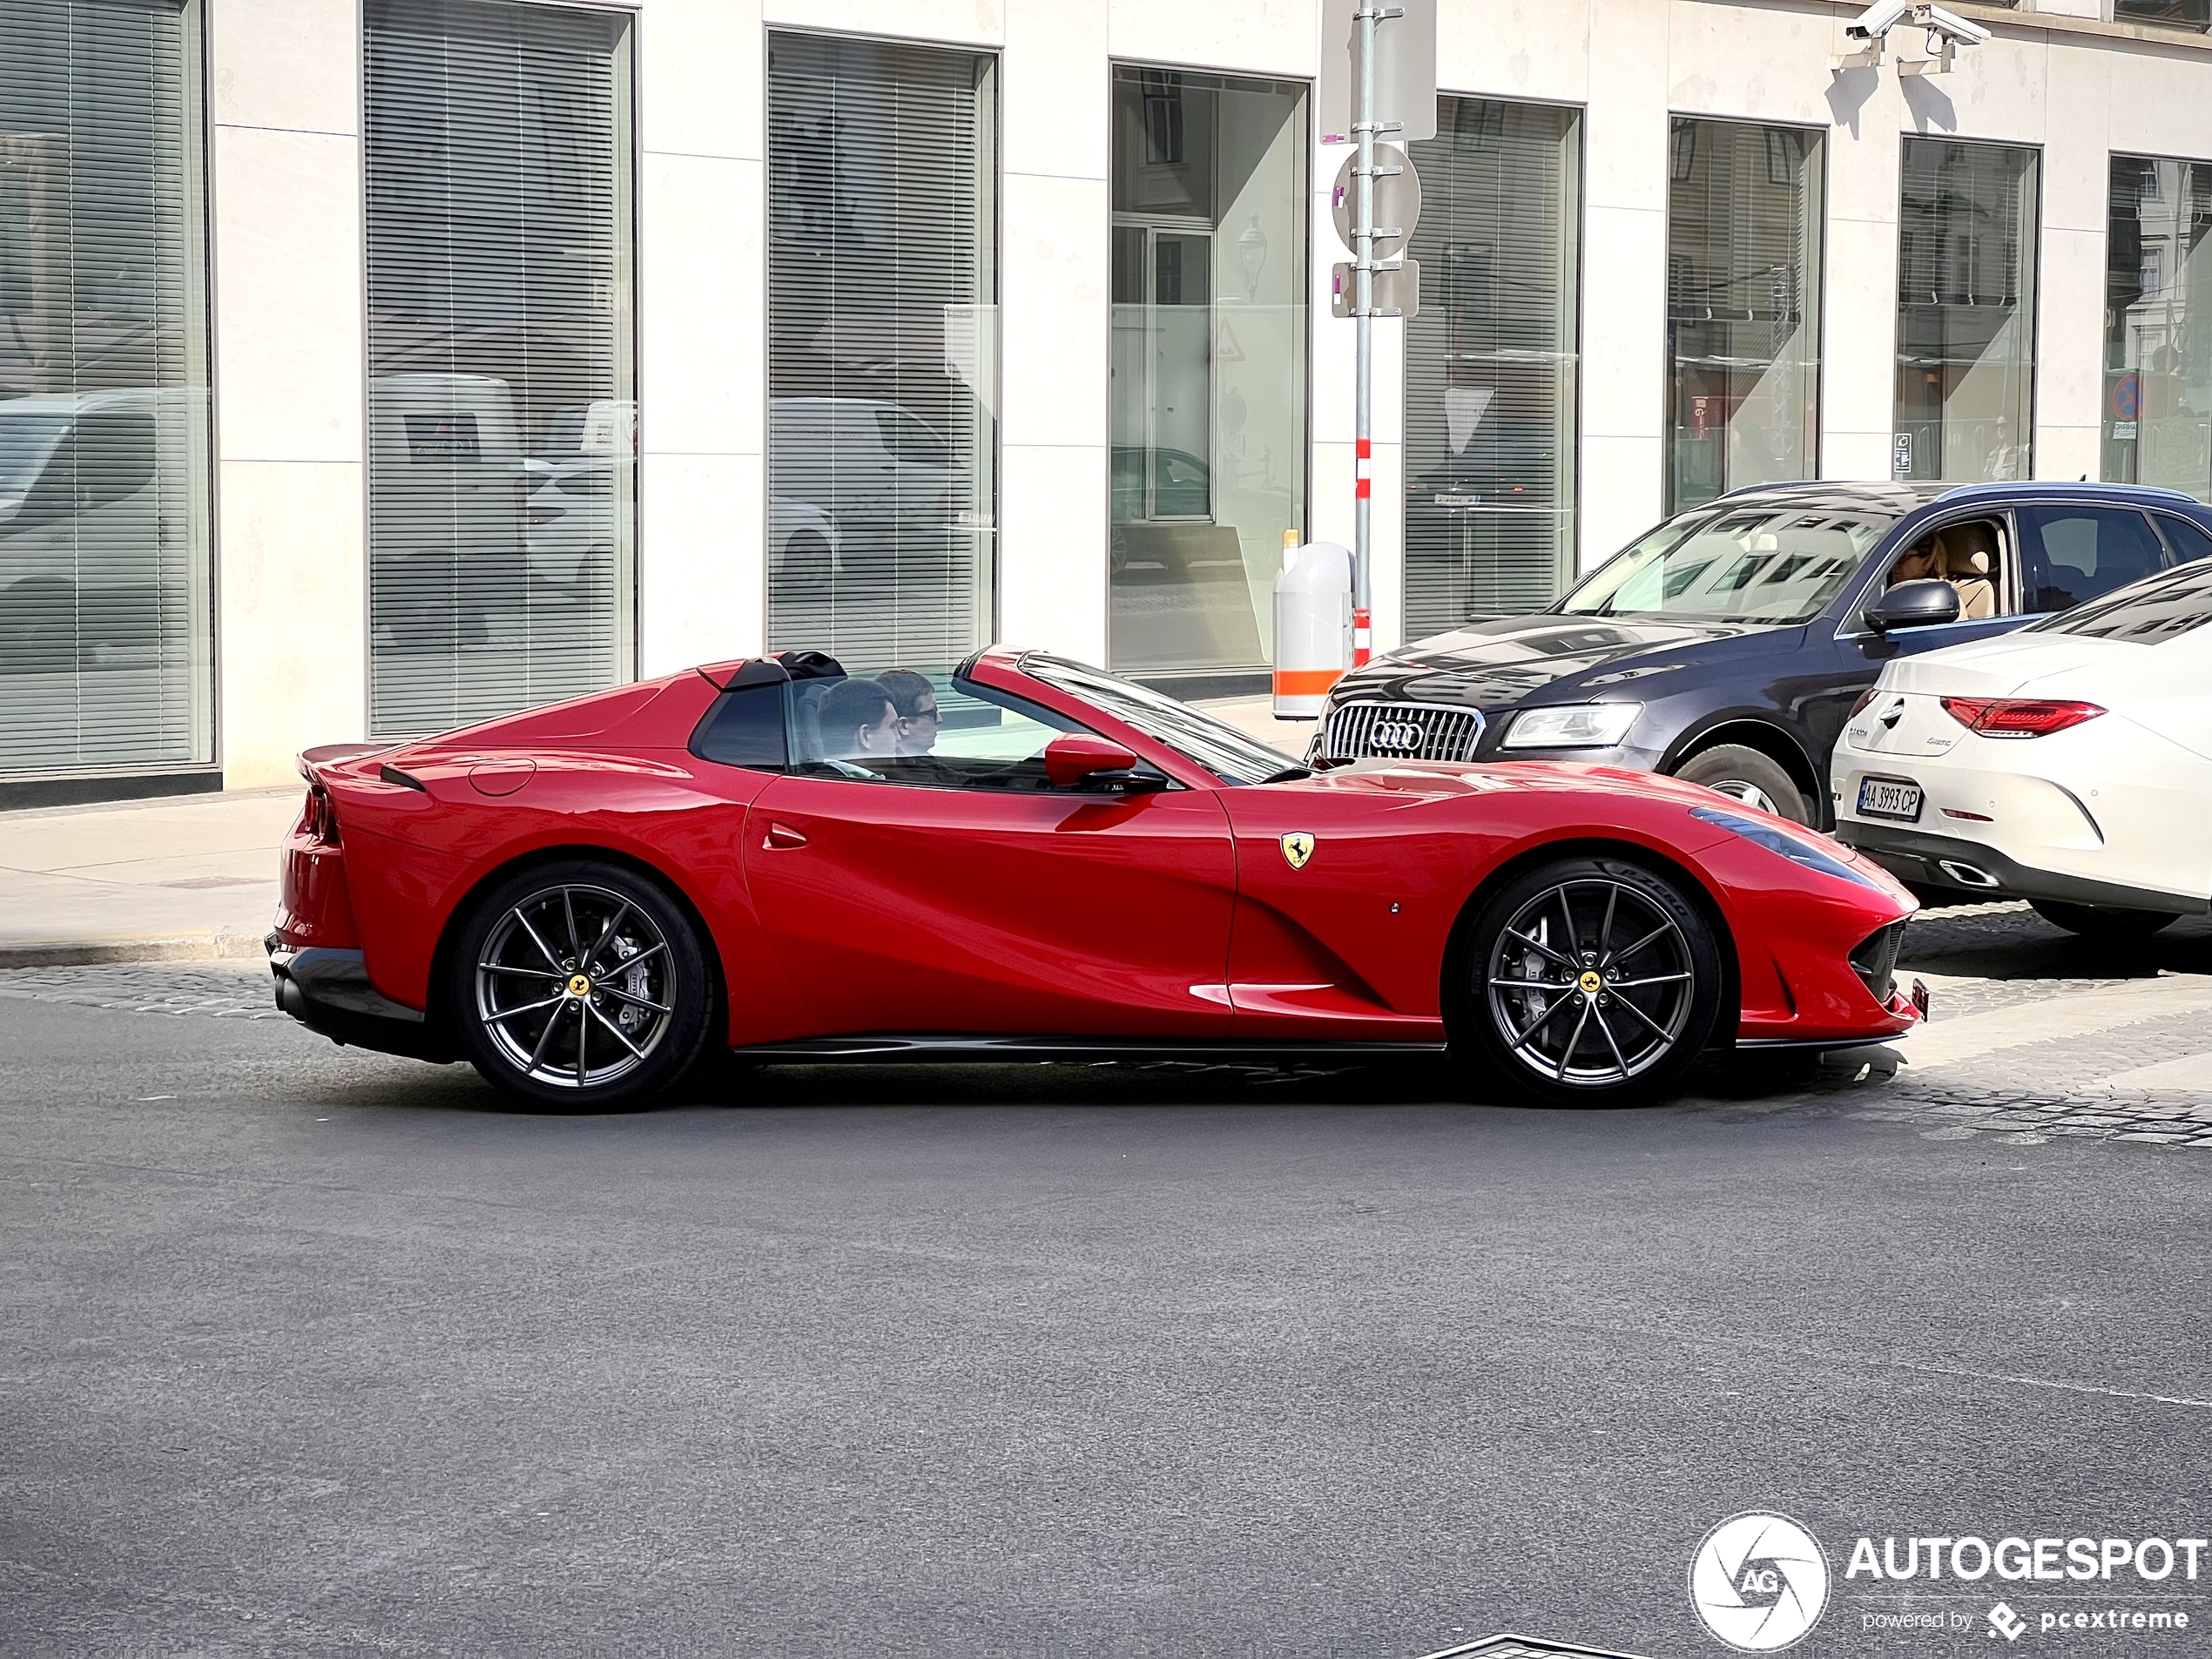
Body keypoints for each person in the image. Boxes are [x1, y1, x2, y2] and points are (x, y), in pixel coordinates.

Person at [875, 667, 966, 786]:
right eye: (932, 713)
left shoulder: (921, 758)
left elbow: (962, 781)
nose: (939, 720)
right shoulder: (899, 781)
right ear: (904, 726)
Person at [814, 677, 900, 764]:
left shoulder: (821, 776)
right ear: (865, 736)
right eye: (892, 727)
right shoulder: (837, 777)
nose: (899, 737)